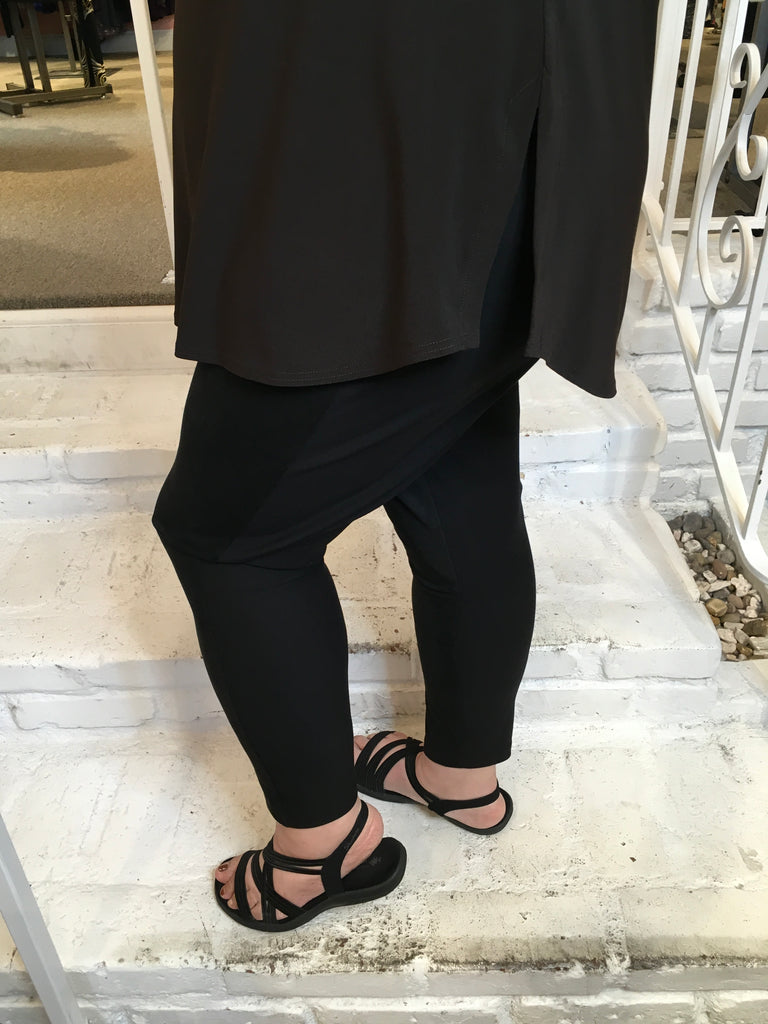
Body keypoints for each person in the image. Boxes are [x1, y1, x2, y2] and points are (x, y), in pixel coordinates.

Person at [152, 0, 659, 932]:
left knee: (227, 536)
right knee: (455, 466)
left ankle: (321, 847)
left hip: (377, 137)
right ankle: (461, 775)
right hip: (478, 116)